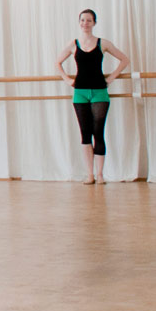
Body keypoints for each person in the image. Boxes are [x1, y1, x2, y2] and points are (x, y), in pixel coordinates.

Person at [56, 9, 130, 185]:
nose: (85, 23)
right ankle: (90, 174)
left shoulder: (102, 43)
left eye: (89, 20)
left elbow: (124, 59)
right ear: (79, 22)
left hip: (99, 91)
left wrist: (112, 77)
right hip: (80, 92)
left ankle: (100, 174)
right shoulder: (73, 44)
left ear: (94, 23)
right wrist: (66, 79)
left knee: (98, 132)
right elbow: (57, 62)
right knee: (85, 134)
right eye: (82, 20)